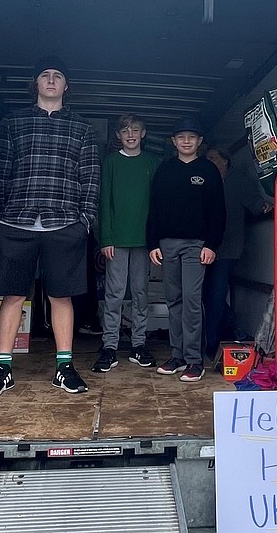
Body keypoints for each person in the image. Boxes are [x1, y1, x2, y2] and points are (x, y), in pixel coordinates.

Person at [0, 55, 99, 396]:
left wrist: (85, 221)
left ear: (66, 86)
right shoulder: (12, 124)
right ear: (36, 83)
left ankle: (64, 367)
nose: (50, 80)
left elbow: (90, 178)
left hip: (64, 224)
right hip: (15, 222)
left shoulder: (82, 129)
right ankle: (2, 368)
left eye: (57, 76)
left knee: (62, 297)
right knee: (13, 295)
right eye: (44, 75)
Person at [147, 118, 225, 382]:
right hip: (167, 244)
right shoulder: (164, 170)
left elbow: (218, 212)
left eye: (192, 137)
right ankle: (177, 356)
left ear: (200, 142)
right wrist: (152, 244)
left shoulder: (209, 170)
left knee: (192, 301)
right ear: (174, 141)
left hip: (197, 245)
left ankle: (194, 360)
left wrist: (212, 245)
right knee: (174, 301)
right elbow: (154, 210)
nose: (186, 141)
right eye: (181, 137)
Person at [92, 114, 161, 373]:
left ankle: (138, 344)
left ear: (143, 133)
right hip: (117, 240)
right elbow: (104, 202)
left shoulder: (153, 162)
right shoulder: (109, 162)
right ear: (118, 136)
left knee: (141, 293)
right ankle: (109, 346)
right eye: (125, 131)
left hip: (144, 240)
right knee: (114, 294)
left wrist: (156, 239)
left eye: (135, 130)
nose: (130, 134)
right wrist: (105, 238)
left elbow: (157, 205)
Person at [203, 145, 271, 359]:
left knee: (215, 295)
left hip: (228, 248)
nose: (210, 161)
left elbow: (254, 202)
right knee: (206, 295)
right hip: (205, 247)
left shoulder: (238, 180)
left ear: (226, 160)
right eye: (207, 158)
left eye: (213, 157)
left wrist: (263, 206)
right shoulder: (205, 180)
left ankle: (212, 344)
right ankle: (231, 328)